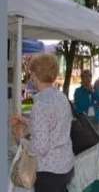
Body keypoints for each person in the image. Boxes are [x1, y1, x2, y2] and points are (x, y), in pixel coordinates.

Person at [12, 54, 74, 192]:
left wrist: (22, 141)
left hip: (50, 171)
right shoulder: (62, 97)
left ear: (34, 75)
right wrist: (27, 121)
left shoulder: (40, 104)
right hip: (66, 165)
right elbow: (53, 124)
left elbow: (40, 147)